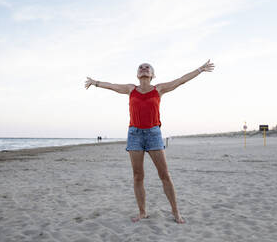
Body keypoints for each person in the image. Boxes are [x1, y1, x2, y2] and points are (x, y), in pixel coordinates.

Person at [84, 60, 215, 224]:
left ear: (152, 75)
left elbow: (181, 80)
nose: (144, 68)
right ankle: (142, 212)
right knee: (138, 176)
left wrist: (200, 69)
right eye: (141, 67)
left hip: (153, 134)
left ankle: (176, 212)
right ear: (137, 75)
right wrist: (94, 82)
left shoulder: (158, 89)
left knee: (165, 175)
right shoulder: (130, 89)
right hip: (134, 135)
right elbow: (111, 85)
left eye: (148, 67)